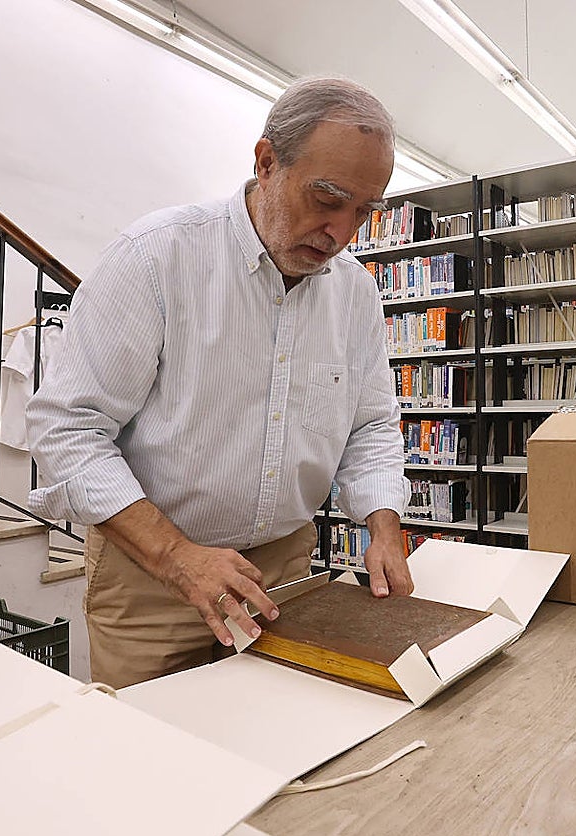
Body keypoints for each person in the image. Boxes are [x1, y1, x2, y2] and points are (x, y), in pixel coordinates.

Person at [26, 76, 412, 689]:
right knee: (154, 756)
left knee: (279, 743)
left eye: (364, 211)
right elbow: (68, 428)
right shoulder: (155, 257)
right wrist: (177, 559)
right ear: (266, 162)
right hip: (155, 576)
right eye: (327, 198)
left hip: (285, 569)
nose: (341, 233)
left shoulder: (354, 291)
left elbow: (368, 425)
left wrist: (384, 526)